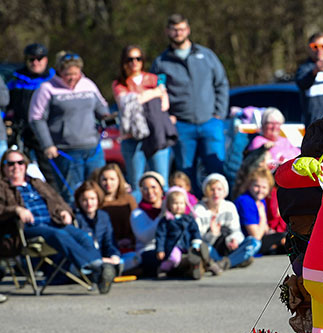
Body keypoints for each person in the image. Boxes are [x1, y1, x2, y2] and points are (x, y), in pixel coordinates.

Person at [0, 148, 116, 293]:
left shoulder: (37, 183)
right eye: (10, 164)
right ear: (3, 167)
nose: (16, 167)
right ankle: (98, 268)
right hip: (25, 229)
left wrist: (65, 212)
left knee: (83, 236)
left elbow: (58, 200)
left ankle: (96, 271)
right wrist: (16, 209)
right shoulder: (2, 187)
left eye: (20, 162)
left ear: (26, 164)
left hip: (52, 222)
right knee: (59, 235)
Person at [151, 13, 229, 193]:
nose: (178, 33)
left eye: (181, 29)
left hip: (210, 123)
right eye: (174, 29)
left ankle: (221, 214)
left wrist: (219, 113)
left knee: (217, 173)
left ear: (188, 30)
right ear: (167, 32)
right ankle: (191, 212)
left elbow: (221, 83)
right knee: (186, 174)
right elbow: (156, 93)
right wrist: (166, 117)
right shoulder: (161, 62)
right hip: (181, 126)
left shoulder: (206, 55)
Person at [28, 51, 110, 201]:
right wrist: (47, 145)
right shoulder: (47, 88)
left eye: (76, 73)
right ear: (59, 71)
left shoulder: (88, 85)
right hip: (65, 151)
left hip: (93, 149)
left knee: (98, 192)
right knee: (73, 195)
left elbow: (102, 109)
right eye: (68, 74)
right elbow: (36, 119)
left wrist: (111, 118)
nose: (72, 78)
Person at [112, 45, 174, 192]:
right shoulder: (120, 83)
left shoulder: (153, 79)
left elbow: (165, 104)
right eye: (130, 59)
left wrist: (148, 95)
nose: (134, 63)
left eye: (138, 59)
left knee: (161, 182)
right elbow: (125, 103)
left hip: (156, 134)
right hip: (132, 137)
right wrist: (154, 93)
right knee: (136, 184)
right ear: (124, 62)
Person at [194, 173, 259, 269]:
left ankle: (225, 263)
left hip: (227, 247)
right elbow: (198, 239)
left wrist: (234, 240)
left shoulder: (229, 206)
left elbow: (237, 231)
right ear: (206, 191)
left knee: (254, 242)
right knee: (203, 248)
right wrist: (213, 234)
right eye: (212, 189)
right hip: (210, 247)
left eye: (219, 189)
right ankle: (235, 260)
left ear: (225, 191)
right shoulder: (198, 210)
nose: (216, 193)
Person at [5, 44, 55, 158]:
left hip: (46, 133)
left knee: (49, 169)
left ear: (46, 60)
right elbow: (6, 104)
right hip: (20, 131)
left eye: (39, 58)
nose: (35, 62)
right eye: (32, 59)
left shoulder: (54, 80)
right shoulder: (16, 80)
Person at [155, 186, 215, 278]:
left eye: (181, 203)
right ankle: (164, 268)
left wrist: (196, 242)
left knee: (197, 254)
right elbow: (160, 236)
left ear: (186, 204)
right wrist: (160, 249)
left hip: (187, 245)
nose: (178, 206)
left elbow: (195, 231)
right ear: (168, 205)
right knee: (174, 259)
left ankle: (207, 264)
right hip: (174, 246)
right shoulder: (166, 220)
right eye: (175, 203)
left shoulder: (189, 219)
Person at [73, 180, 123, 272]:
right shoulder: (76, 218)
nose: (89, 203)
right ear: (79, 201)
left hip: (105, 259)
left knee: (131, 258)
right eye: (85, 200)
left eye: (92, 199)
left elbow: (110, 242)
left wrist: (114, 256)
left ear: (98, 199)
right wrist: (99, 259)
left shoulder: (104, 216)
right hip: (86, 261)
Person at [234, 166, 285, 255]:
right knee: (284, 238)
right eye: (256, 186)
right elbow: (256, 236)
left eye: (264, 187)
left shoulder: (260, 200)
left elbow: (264, 229)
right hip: (244, 242)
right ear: (249, 185)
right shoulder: (246, 201)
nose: (260, 191)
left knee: (286, 237)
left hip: (258, 237)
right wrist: (262, 215)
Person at [295, 32, 323, 125]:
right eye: (315, 46)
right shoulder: (305, 69)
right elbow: (302, 83)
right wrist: (315, 71)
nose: (319, 50)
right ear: (309, 48)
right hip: (316, 131)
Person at [130, 170, 166, 277]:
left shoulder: (171, 206)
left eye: (153, 187)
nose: (150, 192)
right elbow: (145, 237)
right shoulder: (137, 213)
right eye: (145, 189)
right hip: (148, 250)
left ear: (161, 188)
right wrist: (161, 217)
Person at [97, 163, 137, 253]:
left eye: (112, 179)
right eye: (104, 179)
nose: (108, 183)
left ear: (119, 180)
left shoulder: (128, 199)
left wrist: (130, 240)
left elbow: (136, 224)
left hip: (129, 244)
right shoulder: (96, 202)